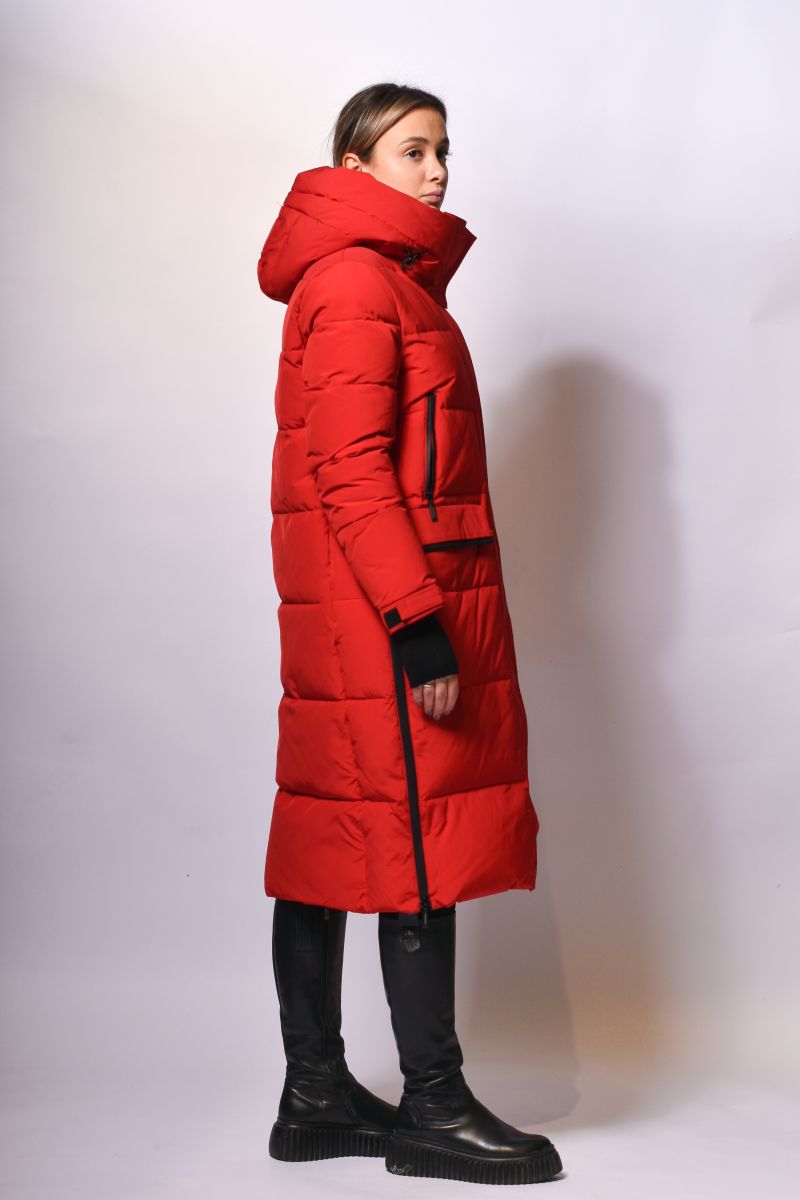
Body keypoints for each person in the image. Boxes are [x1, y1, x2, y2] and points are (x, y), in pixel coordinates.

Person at [256, 81, 563, 1186]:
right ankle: (432, 1104)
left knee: (335, 832)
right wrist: (416, 622)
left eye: (442, 152)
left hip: (359, 608)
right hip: (382, 611)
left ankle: (314, 1093)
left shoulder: (384, 282)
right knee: (412, 843)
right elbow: (349, 471)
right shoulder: (355, 282)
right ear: (354, 165)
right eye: (411, 151)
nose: (435, 173)